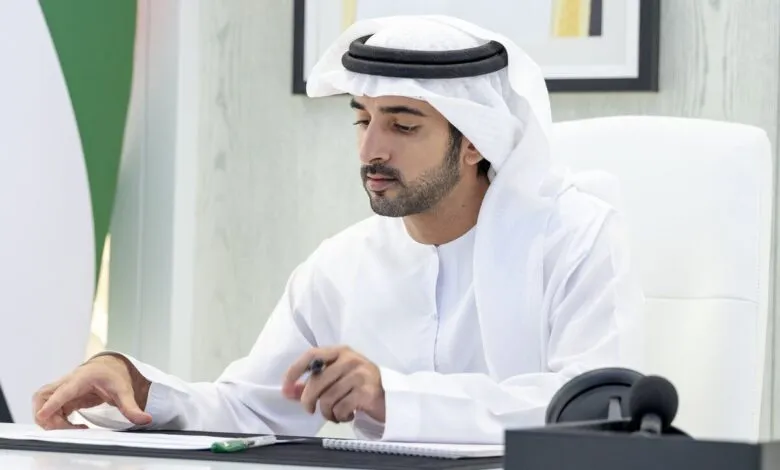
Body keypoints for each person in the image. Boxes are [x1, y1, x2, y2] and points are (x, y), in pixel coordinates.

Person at [32, 15, 644, 444]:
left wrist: (390, 398)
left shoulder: (576, 238)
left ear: (474, 144)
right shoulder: (341, 266)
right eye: (362, 120)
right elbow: (254, 410)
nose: (371, 150)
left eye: (403, 127)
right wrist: (141, 386)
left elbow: (587, 410)